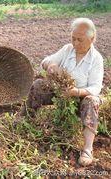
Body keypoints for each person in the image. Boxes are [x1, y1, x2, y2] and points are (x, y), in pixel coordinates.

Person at [18, 18, 104, 166]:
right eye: (73, 39)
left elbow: (96, 88)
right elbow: (45, 62)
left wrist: (76, 92)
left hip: (80, 98)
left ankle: (87, 149)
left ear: (92, 38)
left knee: (92, 100)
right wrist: (51, 66)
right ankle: (23, 121)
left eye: (80, 40)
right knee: (39, 85)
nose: (75, 43)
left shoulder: (96, 59)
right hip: (60, 94)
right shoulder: (67, 50)